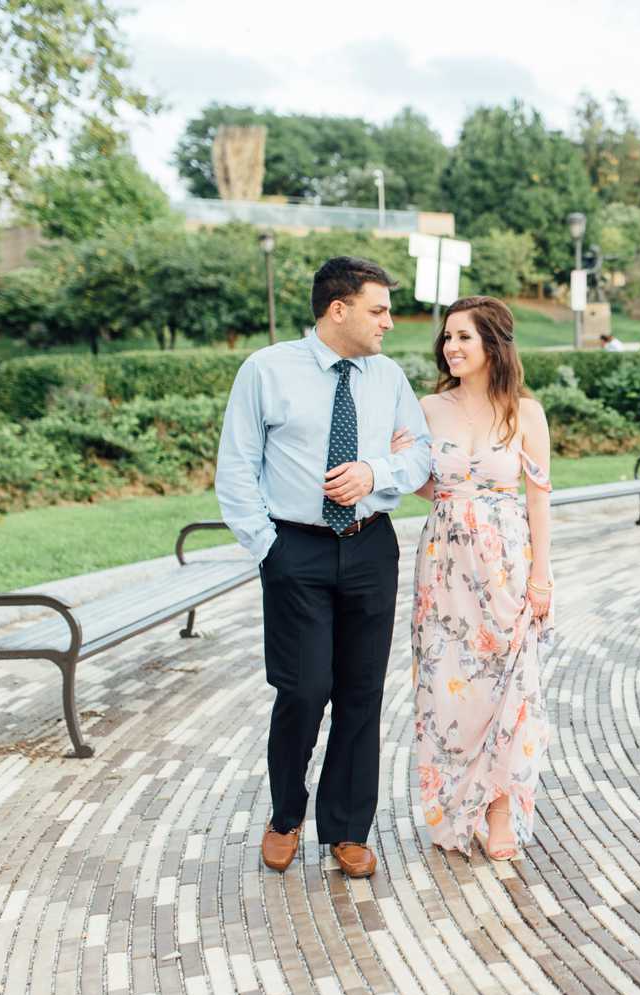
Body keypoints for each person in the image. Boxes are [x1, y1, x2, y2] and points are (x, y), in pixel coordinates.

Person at [215, 257, 432, 879]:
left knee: (361, 695)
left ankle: (347, 830)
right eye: (379, 309)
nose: (389, 322)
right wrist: (268, 548)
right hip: (296, 551)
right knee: (305, 689)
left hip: (370, 546)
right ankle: (286, 815)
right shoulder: (266, 370)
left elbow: (418, 456)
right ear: (338, 309)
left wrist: (375, 474)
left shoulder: (387, 377)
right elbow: (236, 467)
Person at [393, 295, 554, 861]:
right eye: (446, 337)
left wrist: (542, 577)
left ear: (493, 344)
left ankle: (500, 809)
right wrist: (438, 490)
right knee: (448, 691)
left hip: (506, 565)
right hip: (443, 569)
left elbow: (540, 499)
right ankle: (458, 805)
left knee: (509, 685)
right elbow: (410, 476)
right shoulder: (427, 408)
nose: (451, 347)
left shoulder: (525, 413)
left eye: (463, 337)